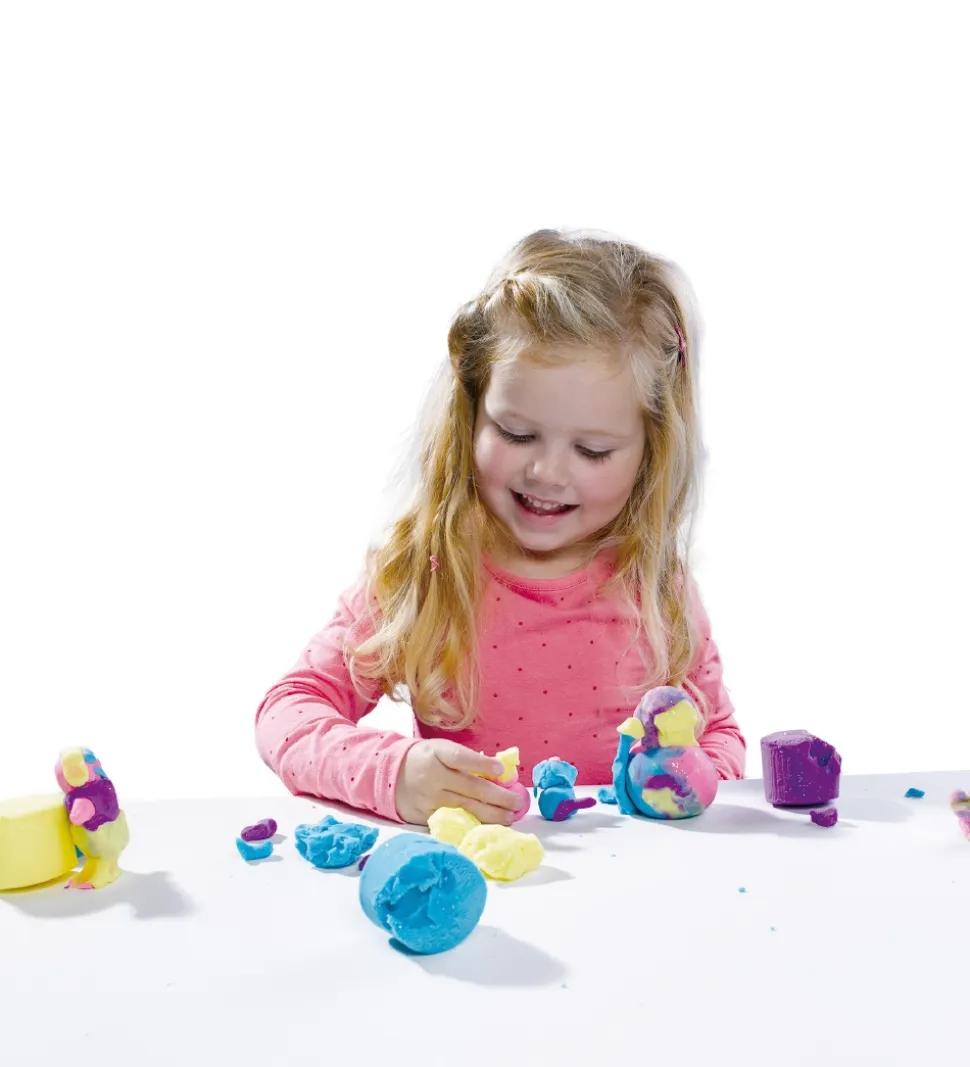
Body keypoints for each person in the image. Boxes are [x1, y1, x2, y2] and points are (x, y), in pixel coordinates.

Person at [255, 228, 745, 827]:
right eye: (517, 434)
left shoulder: (655, 584)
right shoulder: (425, 573)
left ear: (652, 450)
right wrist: (395, 773)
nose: (547, 473)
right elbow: (287, 711)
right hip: (483, 875)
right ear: (471, 413)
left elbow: (719, 736)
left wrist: (690, 784)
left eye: (592, 450)